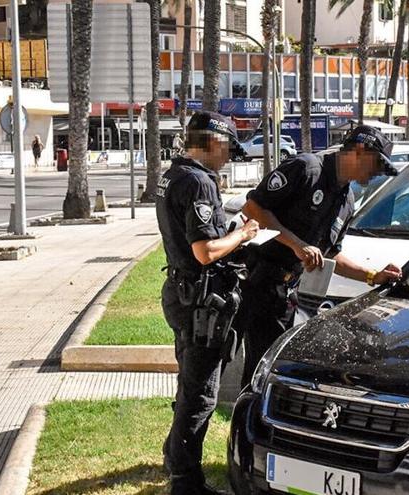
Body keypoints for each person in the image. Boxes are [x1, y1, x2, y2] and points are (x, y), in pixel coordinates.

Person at [237, 125, 404, 387]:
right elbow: (253, 208)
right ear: (358, 151)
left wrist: (373, 275)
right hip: (254, 282)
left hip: (286, 293)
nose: (376, 174)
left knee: (270, 368)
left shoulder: (346, 200)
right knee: (245, 366)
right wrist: (296, 244)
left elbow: (332, 255)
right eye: (376, 165)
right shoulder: (306, 168)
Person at [157, 111, 259, 495]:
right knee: (201, 395)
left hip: (183, 294)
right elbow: (204, 251)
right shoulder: (199, 182)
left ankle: (173, 454)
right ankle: (186, 482)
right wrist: (245, 234)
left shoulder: (174, 175)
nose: (230, 156)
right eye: (229, 147)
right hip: (201, 302)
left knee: (189, 384)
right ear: (213, 143)